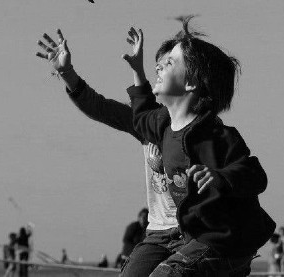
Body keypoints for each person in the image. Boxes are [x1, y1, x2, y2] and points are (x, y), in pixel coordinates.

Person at [122, 23, 275, 277]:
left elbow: (256, 176)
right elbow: (140, 115)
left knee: (167, 275)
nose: (159, 66)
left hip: (227, 242)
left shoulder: (218, 135)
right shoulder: (162, 125)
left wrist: (221, 176)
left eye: (169, 63)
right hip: (193, 237)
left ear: (191, 82)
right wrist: (138, 71)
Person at [36, 29, 183, 277]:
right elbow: (99, 106)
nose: (159, 70)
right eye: (157, 66)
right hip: (157, 233)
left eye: (168, 65)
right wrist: (66, 72)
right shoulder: (146, 123)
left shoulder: (200, 128)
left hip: (191, 233)